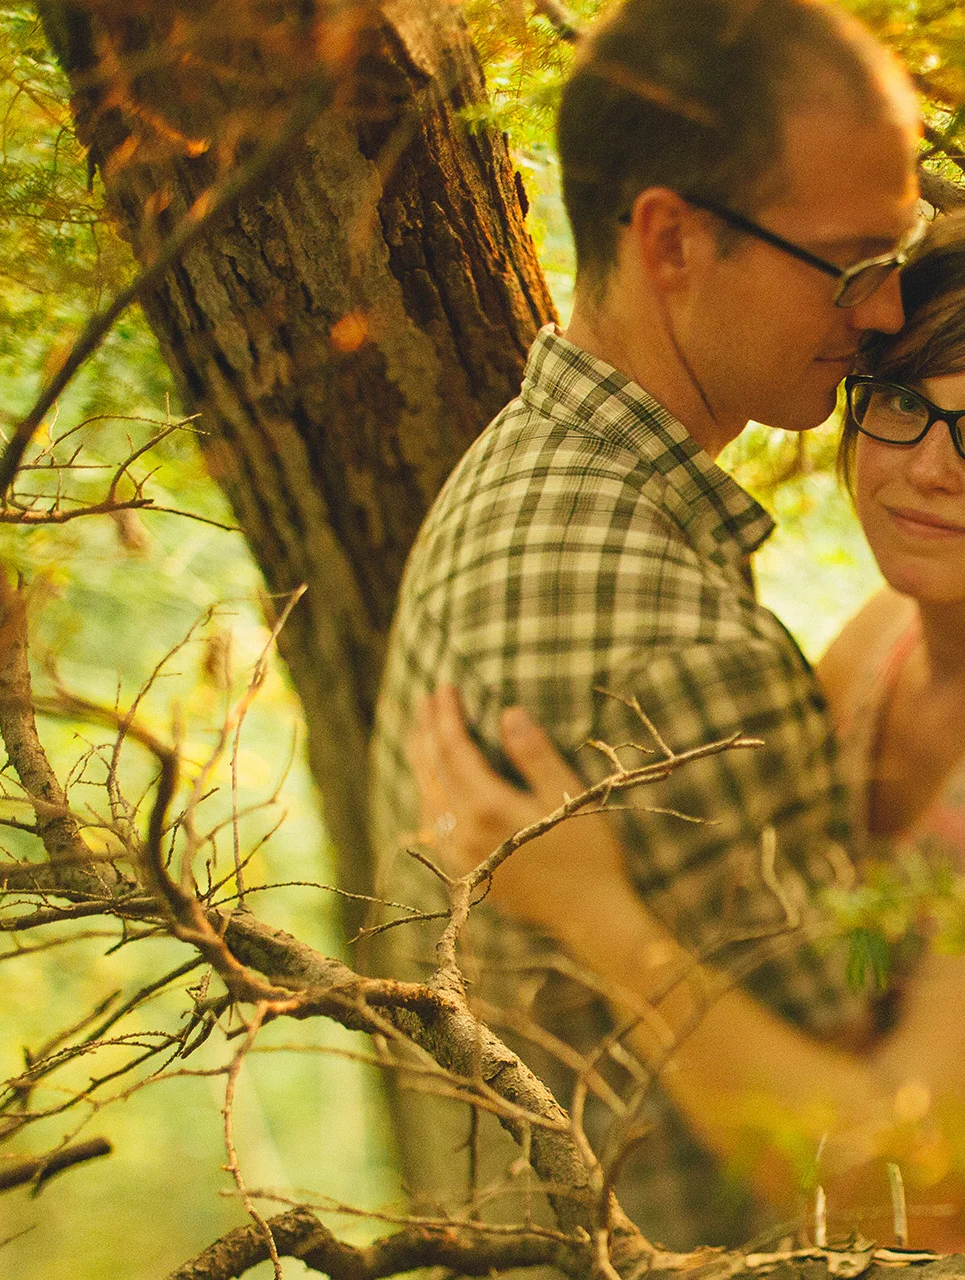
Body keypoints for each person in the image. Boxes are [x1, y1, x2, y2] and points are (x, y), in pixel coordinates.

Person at [413, 201, 965, 1251]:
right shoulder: (883, 639)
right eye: (900, 400)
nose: (927, 466)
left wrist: (593, 909)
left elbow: (911, 1188)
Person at [366, 0, 925, 1248]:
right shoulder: (688, 659)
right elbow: (854, 1175)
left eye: (904, 252)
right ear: (673, 239)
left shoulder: (508, 471)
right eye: (851, 264)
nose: (885, 312)